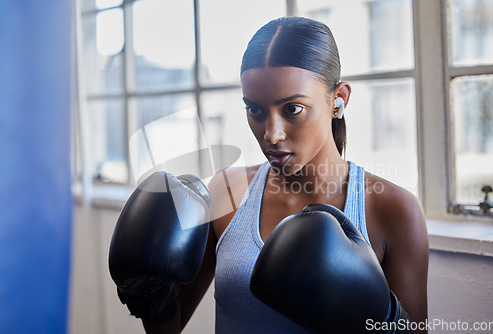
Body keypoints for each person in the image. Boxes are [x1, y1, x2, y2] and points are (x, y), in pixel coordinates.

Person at [109, 16, 429, 334]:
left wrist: (384, 320)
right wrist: (152, 299)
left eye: (292, 109)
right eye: (255, 110)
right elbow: (169, 329)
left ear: (338, 100)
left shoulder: (394, 209)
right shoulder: (227, 190)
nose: (271, 134)